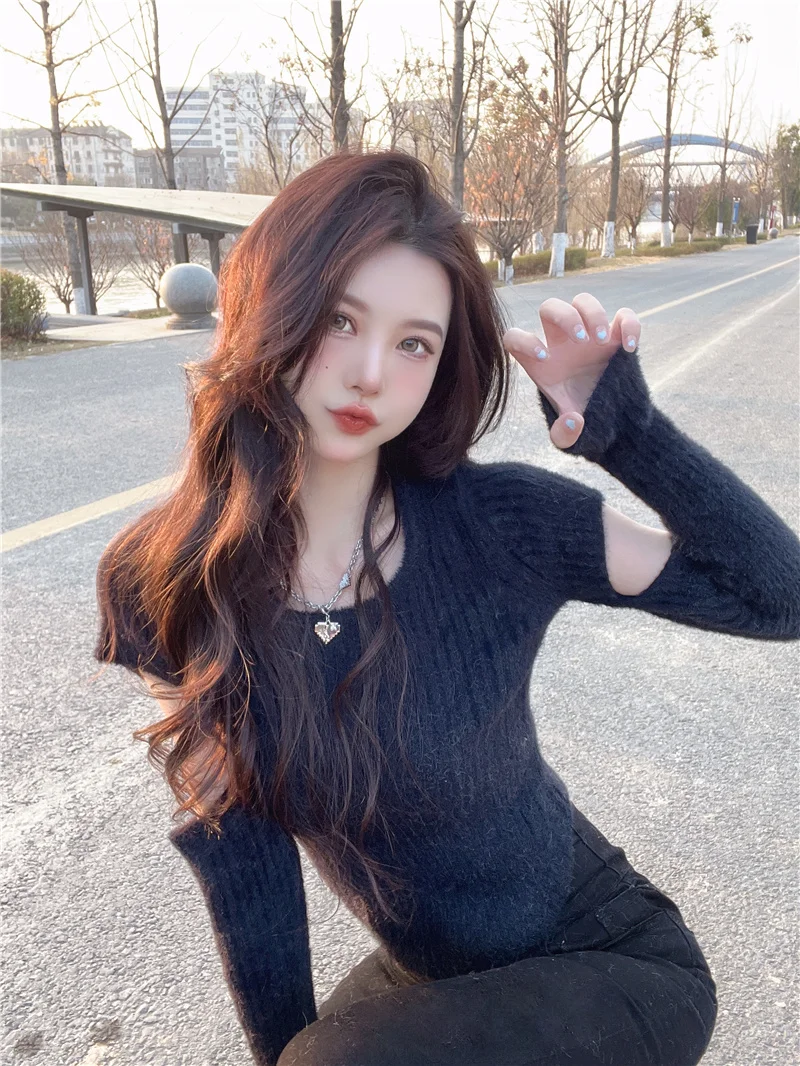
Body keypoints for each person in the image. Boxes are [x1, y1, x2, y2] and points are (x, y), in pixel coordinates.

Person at [93, 149, 800, 1066]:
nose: (370, 372)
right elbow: (246, 860)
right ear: (269, 305)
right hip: (434, 977)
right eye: (340, 319)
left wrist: (630, 436)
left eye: (414, 344)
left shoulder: (499, 524)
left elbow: (778, 597)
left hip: (610, 958)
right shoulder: (165, 581)